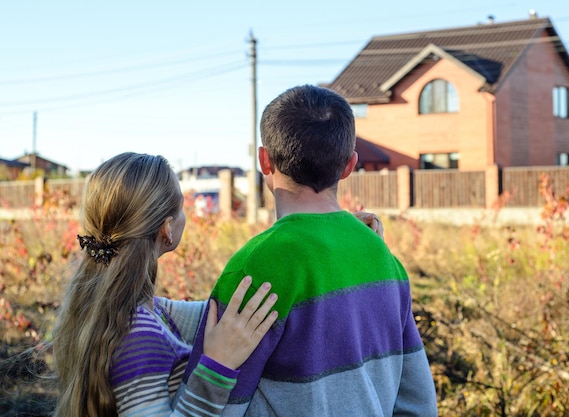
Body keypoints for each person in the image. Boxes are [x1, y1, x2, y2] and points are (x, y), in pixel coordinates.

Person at [187, 85, 438, 416]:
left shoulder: (254, 268)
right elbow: (418, 404)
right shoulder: (385, 260)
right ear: (349, 165)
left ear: (265, 160)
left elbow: (214, 407)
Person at [52, 152, 280, 417]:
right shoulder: (138, 335)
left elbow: (215, 314)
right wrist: (216, 366)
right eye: (182, 207)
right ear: (167, 229)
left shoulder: (120, 308)